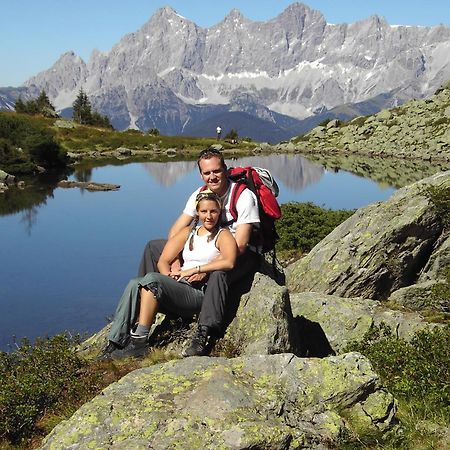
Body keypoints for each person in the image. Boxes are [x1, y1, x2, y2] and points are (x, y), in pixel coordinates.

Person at [138, 148, 261, 357]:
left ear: (225, 170)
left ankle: (205, 331)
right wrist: (176, 261)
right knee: (154, 247)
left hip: (243, 255)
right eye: (207, 173)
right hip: (206, 244)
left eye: (216, 171)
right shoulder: (200, 194)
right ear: (201, 174)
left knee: (219, 273)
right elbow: (175, 232)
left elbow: (239, 245)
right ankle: (154, 305)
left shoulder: (243, 196)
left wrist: (203, 268)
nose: (212, 176)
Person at [102, 191, 238, 359]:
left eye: (213, 211)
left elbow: (229, 262)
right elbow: (163, 260)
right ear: (198, 212)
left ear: (219, 212)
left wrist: (195, 269)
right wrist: (169, 275)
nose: (209, 216)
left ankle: (139, 343)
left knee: (151, 279)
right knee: (134, 283)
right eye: (204, 211)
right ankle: (115, 342)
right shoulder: (189, 232)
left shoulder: (223, 235)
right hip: (179, 287)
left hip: (198, 293)